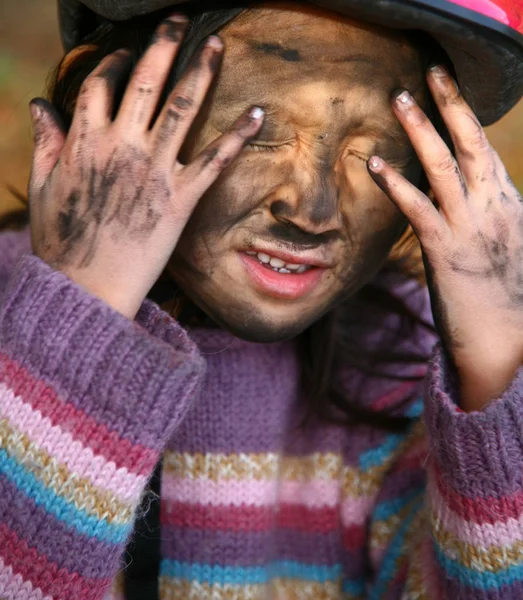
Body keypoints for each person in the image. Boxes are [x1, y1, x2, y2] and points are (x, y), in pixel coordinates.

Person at [0, 0, 522, 598]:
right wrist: (83, 308)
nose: (312, 211)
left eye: (371, 154)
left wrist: (496, 363)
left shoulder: (404, 369)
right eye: (262, 133)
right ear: (116, 106)